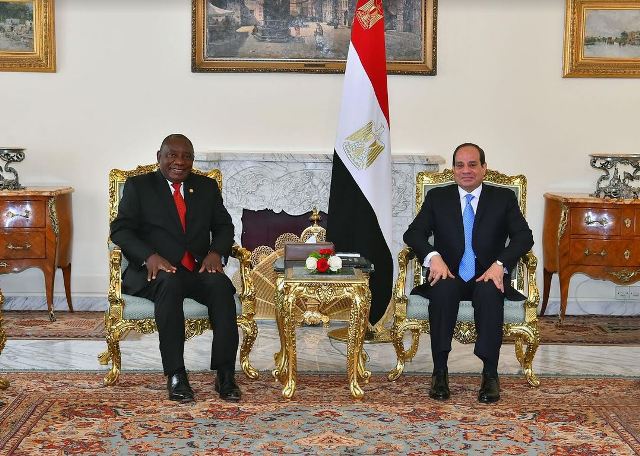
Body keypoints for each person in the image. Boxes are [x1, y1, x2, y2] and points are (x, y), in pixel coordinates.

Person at [110, 134, 241, 403]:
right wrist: (148, 256)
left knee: (221, 286)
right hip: (155, 272)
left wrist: (215, 253)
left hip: (195, 270)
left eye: (186, 156)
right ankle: (176, 374)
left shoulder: (205, 187)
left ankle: (225, 373)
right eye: (172, 155)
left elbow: (224, 226)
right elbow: (120, 230)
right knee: (169, 285)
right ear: (159, 156)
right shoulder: (139, 186)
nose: (179, 161)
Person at [403, 143, 533, 403]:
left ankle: (490, 374)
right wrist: (433, 257)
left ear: (484, 168)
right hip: (449, 273)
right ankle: (440, 371)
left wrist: (500, 264)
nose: (466, 170)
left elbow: (524, 237)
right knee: (442, 290)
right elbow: (413, 233)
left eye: (473, 165)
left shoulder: (503, 198)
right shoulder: (438, 198)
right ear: (453, 170)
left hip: (486, 274)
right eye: (460, 165)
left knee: (490, 292)